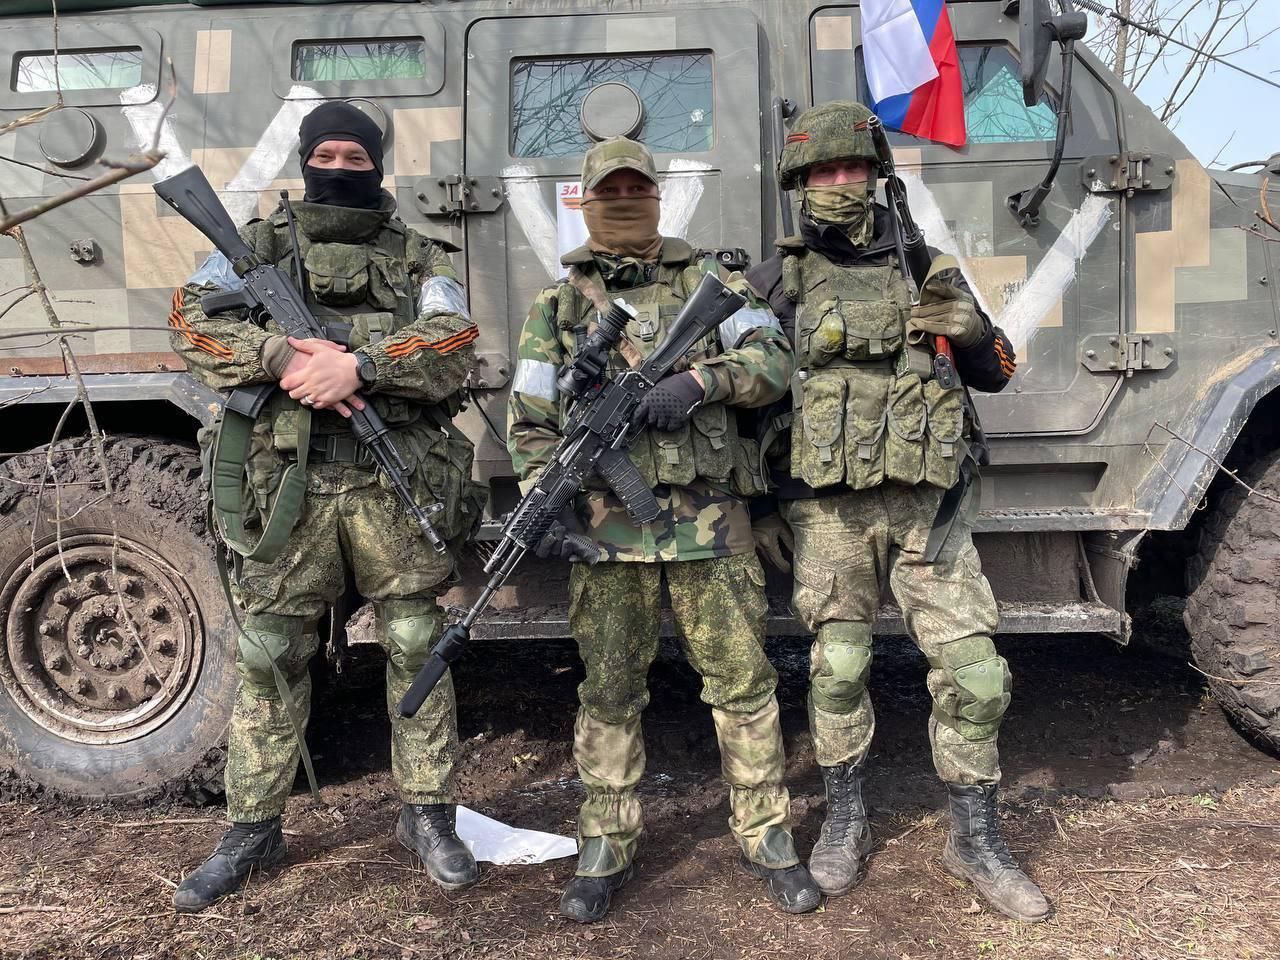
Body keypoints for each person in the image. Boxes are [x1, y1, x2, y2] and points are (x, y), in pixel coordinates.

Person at [168, 101, 484, 912]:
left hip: (390, 481)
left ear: (378, 164)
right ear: (306, 159)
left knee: (416, 640)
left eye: (356, 156)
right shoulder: (256, 246)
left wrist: (361, 368)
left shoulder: (418, 255)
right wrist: (277, 353)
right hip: (287, 486)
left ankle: (427, 815)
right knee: (270, 650)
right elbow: (190, 324)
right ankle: (252, 830)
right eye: (327, 154)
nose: (339, 167)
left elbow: (453, 342)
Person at [745, 100, 1048, 923]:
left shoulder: (926, 264)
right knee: (838, 670)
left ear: (877, 176)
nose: (840, 182)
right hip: (827, 516)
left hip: (928, 510)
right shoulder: (772, 284)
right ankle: (845, 820)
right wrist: (760, 507)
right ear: (800, 181)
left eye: (853, 167)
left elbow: (998, 371)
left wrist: (973, 332)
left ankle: (974, 839)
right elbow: (745, 410)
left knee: (977, 675)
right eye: (823, 170)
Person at [507, 136, 820, 922]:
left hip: (712, 524)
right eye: (607, 191)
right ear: (585, 201)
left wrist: (700, 381)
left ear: (655, 195)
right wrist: (545, 499)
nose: (623, 201)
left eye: (635, 188)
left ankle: (768, 835)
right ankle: (606, 842)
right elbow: (530, 421)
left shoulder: (715, 283)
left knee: (743, 684)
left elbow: (775, 361)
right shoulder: (557, 306)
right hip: (609, 537)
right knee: (610, 691)